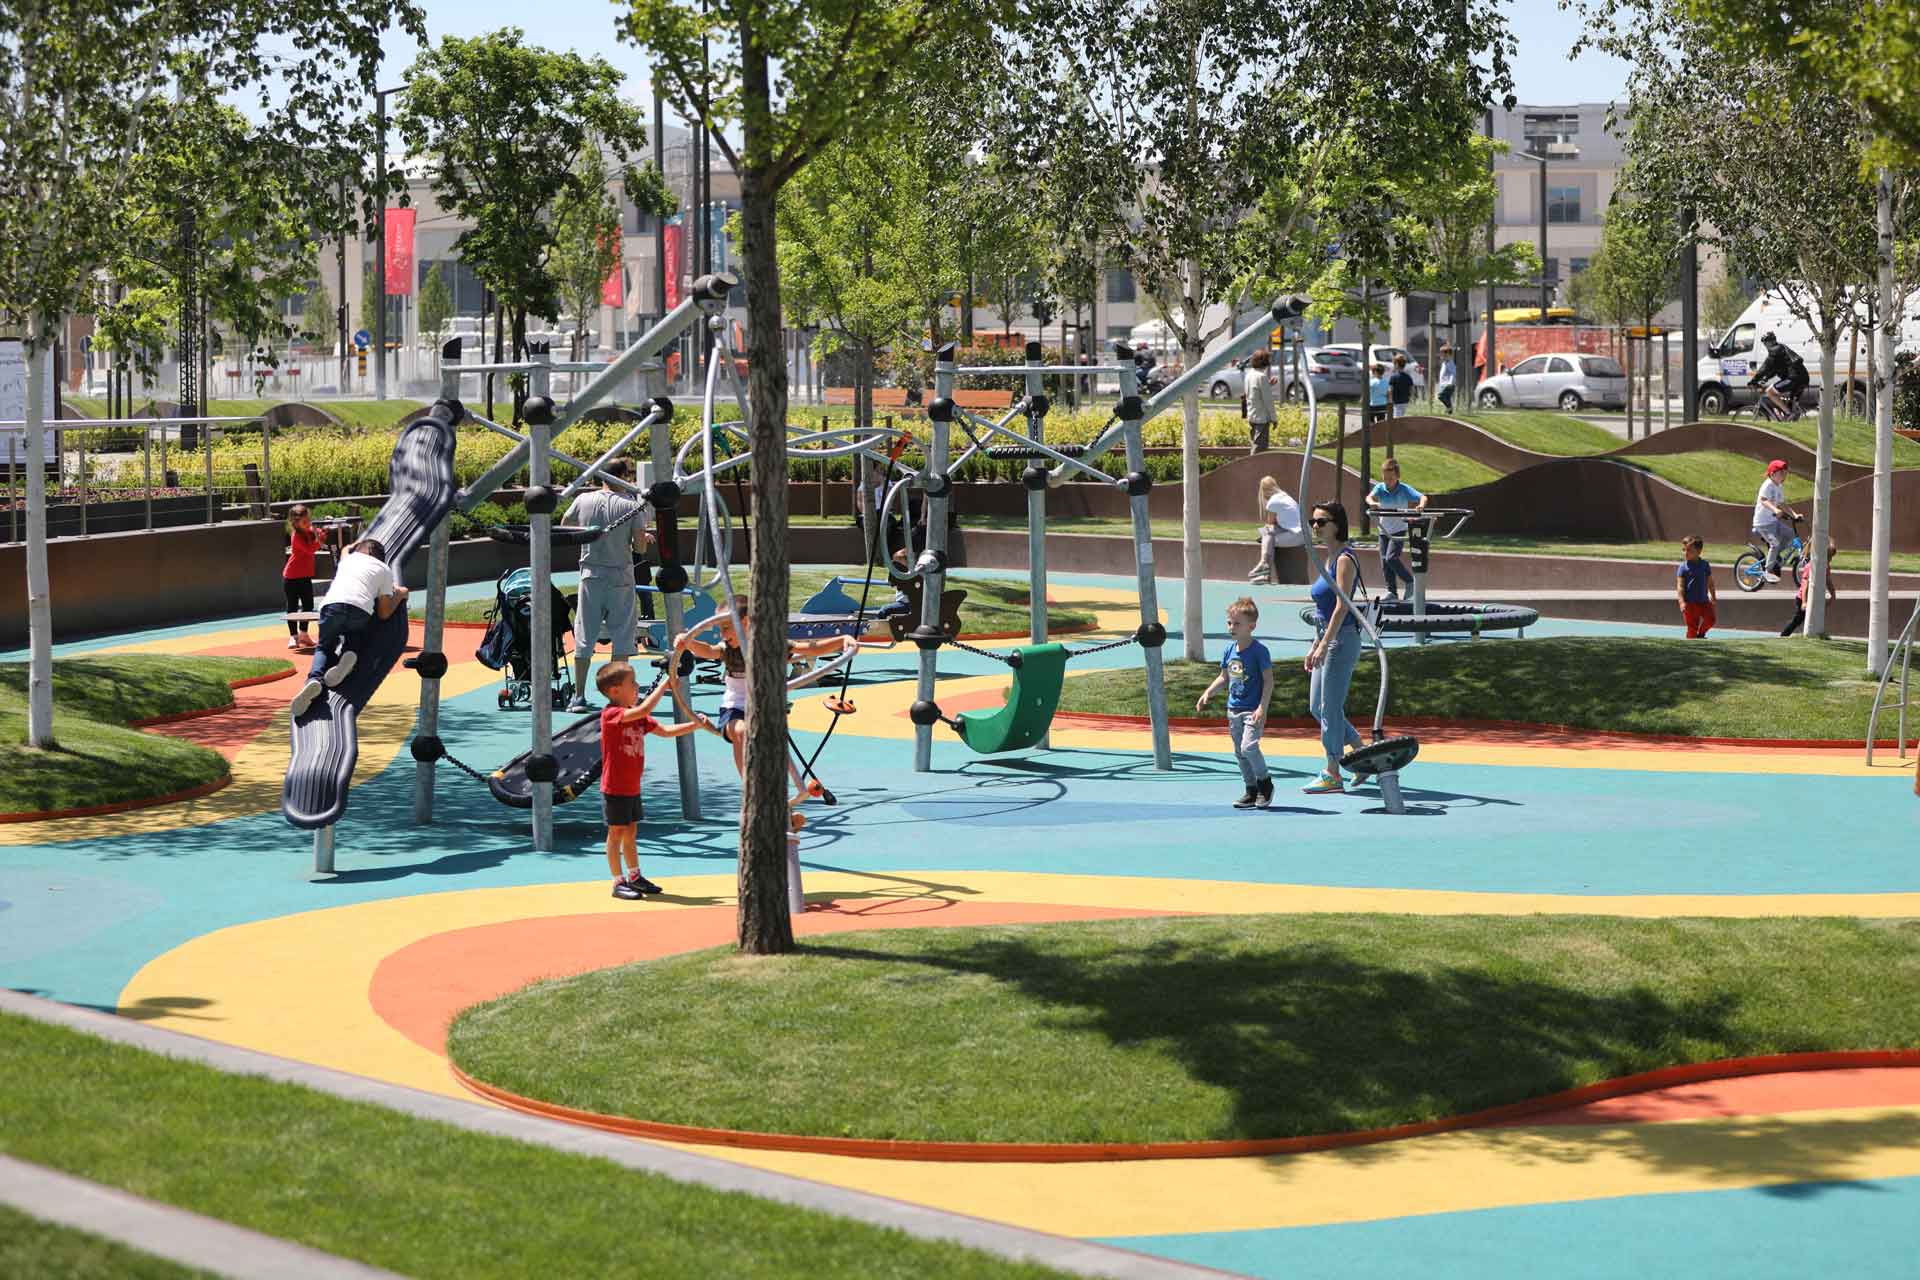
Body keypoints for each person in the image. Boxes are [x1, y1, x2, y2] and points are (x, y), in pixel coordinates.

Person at [676, 596, 853, 799]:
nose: (722, 634)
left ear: (745, 622)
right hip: (735, 706)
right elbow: (708, 651)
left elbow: (810, 648)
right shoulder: (728, 649)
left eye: (725, 628)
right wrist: (687, 641)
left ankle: (780, 788)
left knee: (771, 745)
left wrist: (842, 640)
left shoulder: (769, 643)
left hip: (764, 706)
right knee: (741, 732)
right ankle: (751, 790)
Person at [596, 660, 705, 900]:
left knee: (631, 832)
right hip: (614, 787)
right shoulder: (612, 714)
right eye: (632, 683)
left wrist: (695, 724)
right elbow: (644, 710)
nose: (637, 686)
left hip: (631, 787)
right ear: (615, 691)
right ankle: (617, 881)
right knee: (616, 834)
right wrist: (666, 683)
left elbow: (665, 732)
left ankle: (635, 876)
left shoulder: (637, 717)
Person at [564, 459, 651, 712]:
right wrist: (644, 538)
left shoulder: (583, 500)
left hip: (591, 574)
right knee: (622, 636)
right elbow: (640, 548)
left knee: (585, 634)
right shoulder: (633, 506)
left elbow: (566, 526)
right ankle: (617, 698)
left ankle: (578, 696)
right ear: (623, 476)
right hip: (620, 577)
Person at [289, 537, 406, 717]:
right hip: (360, 609)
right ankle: (349, 654)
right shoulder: (384, 570)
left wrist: (351, 546)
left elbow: (345, 550)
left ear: (361, 550)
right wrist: (399, 594)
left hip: (332, 606)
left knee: (324, 647)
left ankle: (314, 679)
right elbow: (384, 613)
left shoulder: (347, 560)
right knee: (355, 634)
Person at [1303, 503, 1366, 794]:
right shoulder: (1327, 559)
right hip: (1327, 638)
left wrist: (1325, 643)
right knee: (1317, 706)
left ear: (1337, 525)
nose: (1315, 526)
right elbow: (1323, 610)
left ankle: (1332, 772)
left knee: (1329, 706)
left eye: (1321, 522)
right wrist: (1315, 643)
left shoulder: (1344, 558)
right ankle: (1361, 754)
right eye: (1312, 521)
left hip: (1342, 640)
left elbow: (1341, 605)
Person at [1195, 597, 1274, 810]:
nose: (1231, 627)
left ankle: (1265, 783)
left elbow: (1268, 682)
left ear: (1252, 626)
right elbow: (1225, 677)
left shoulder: (1259, 651)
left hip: (1252, 710)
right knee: (1239, 753)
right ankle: (1251, 790)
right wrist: (1208, 692)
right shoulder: (1229, 651)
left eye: (1237, 623)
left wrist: (1262, 708)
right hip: (1233, 710)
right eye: (1229, 623)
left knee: (1249, 747)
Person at [1366, 458, 1427, 601]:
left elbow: (1423, 497)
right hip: (1384, 530)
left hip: (1399, 529)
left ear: (1397, 476)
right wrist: (1373, 503)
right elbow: (1369, 498)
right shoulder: (1380, 488)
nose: (1388, 482)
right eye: (1385, 478)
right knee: (1384, 561)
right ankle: (1391, 592)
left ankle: (1409, 581)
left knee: (1391, 558)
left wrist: (1421, 506)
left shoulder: (1404, 489)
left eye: (1391, 479)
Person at [281, 504, 324, 651]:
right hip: (291, 577)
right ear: (295, 523)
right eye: (304, 522)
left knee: (308, 606)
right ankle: (293, 635)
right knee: (292, 606)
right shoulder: (296, 536)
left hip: (305, 576)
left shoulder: (309, 531)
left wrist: (322, 531)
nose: (308, 524)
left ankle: (304, 634)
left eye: (308, 520)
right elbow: (309, 550)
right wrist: (319, 540)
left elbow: (318, 532)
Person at [1751, 459, 1802, 581]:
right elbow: (1763, 500)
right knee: (1775, 544)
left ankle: (1775, 556)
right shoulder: (1768, 484)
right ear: (1772, 474)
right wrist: (1775, 510)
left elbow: (1782, 503)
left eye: (1785, 473)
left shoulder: (1779, 486)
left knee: (1790, 535)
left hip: (1773, 522)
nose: (1784, 476)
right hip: (1763, 523)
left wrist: (1794, 515)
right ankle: (1767, 572)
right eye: (1781, 473)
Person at [1249, 476, 1304, 585]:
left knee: (1267, 532)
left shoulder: (1272, 502)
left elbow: (1270, 525)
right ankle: (1265, 574)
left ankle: (1264, 567)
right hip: (1302, 536)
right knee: (1268, 535)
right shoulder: (1286, 497)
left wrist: (1263, 537)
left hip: (1295, 537)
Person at [1781, 539, 1839, 637]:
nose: (1830, 559)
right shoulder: (1812, 566)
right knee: (1798, 619)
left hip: (1815, 597)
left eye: (1831, 557)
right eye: (1829, 556)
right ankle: (1783, 635)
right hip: (1802, 597)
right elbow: (1805, 585)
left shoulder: (1826, 566)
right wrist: (1804, 601)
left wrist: (1833, 595)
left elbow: (1828, 581)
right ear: (1822, 555)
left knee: (1815, 618)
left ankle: (1816, 634)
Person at [1748, 332, 1810, 419]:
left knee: (1770, 391)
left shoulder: (1775, 350)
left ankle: (1788, 413)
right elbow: (1775, 368)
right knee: (1789, 403)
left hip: (1793, 379)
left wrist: (1753, 381)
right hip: (1803, 378)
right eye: (1764, 343)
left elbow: (1765, 367)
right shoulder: (1781, 348)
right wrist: (1766, 378)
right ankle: (1791, 416)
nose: (1765, 345)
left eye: (1766, 342)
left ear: (1771, 341)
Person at [1675, 536, 1718, 638]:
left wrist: (1713, 596)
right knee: (1692, 628)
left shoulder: (1705, 565)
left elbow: (1710, 582)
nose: (1686, 553)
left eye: (1689, 550)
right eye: (1684, 550)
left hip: (1704, 601)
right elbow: (1680, 586)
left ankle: (1701, 634)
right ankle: (1690, 644)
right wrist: (1681, 602)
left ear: (1699, 551)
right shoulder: (1683, 567)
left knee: (1711, 619)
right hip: (1690, 604)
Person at [1244, 349, 1276, 453]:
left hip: (1252, 415)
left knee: (1254, 444)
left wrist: (1268, 384)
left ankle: (1253, 468)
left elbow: (1253, 393)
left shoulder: (1249, 375)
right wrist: (1274, 418)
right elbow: (1268, 400)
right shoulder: (1262, 377)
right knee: (1259, 449)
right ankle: (1252, 468)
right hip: (1262, 418)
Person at [1387, 354, 1415, 419]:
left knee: (1397, 420)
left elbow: (1390, 390)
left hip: (1396, 402)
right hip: (1405, 402)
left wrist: (1390, 400)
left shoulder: (1393, 377)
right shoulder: (1408, 377)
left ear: (1396, 364)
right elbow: (1411, 389)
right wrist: (1411, 399)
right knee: (1403, 418)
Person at [1436, 344, 1457, 412]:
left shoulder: (1450, 364)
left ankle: (1449, 407)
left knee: (1440, 396)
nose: (1443, 357)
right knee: (1447, 398)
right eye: (1442, 355)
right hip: (1443, 384)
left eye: (1445, 355)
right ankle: (1449, 411)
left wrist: (1450, 383)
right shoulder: (1444, 364)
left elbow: (1453, 374)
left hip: (1448, 385)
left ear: (1450, 355)